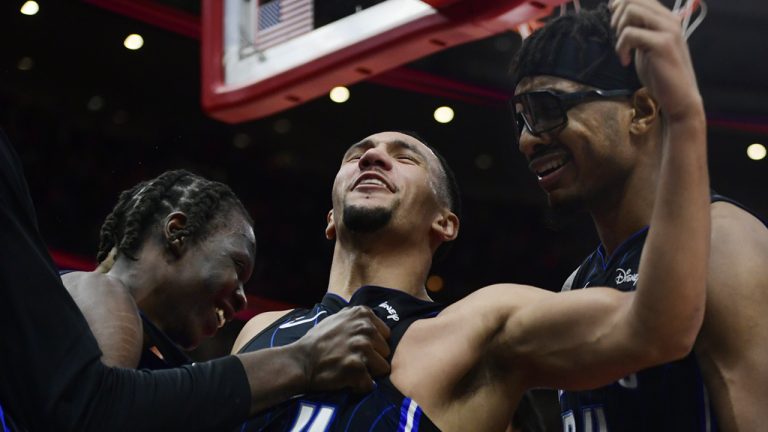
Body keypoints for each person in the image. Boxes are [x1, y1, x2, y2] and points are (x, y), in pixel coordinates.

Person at [233, 6, 710, 424]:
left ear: (445, 222)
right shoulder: (258, 332)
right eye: (357, 154)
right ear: (330, 218)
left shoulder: (483, 324)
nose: (372, 158)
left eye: (405, 157)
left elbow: (659, 328)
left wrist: (684, 116)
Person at [0, 132, 391, 431]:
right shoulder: (102, 290)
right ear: (177, 232)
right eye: (237, 267)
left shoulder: (138, 348)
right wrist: (303, 360)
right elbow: (98, 415)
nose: (241, 298)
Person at [511, 1, 768, 430]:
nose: (526, 140)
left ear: (644, 111)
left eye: (547, 109)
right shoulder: (577, 283)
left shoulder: (726, 246)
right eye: (520, 118)